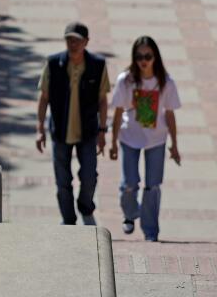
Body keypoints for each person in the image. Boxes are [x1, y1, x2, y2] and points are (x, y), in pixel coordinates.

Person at [35, 21, 110, 226]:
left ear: (86, 42)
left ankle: (86, 207)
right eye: (69, 40)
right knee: (62, 182)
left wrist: (103, 131)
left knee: (89, 177)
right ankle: (68, 219)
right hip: (60, 131)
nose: (72, 44)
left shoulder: (97, 65)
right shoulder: (53, 64)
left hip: (87, 132)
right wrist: (40, 129)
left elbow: (103, 101)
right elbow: (44, 98)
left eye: (77, 40)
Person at [109, 36, 181, 242]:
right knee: (129, 184)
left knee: (153, 186)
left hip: (156, 140)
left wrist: (174, 145)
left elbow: (170, 114)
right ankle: (130, 214)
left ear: (155, 57)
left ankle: (150, 231)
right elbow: (118, 111)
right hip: (129, 137)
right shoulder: (126, 80)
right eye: (139, 56)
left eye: (148, 56)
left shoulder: (166, 82)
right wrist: (113, 141)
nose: (144, 60)